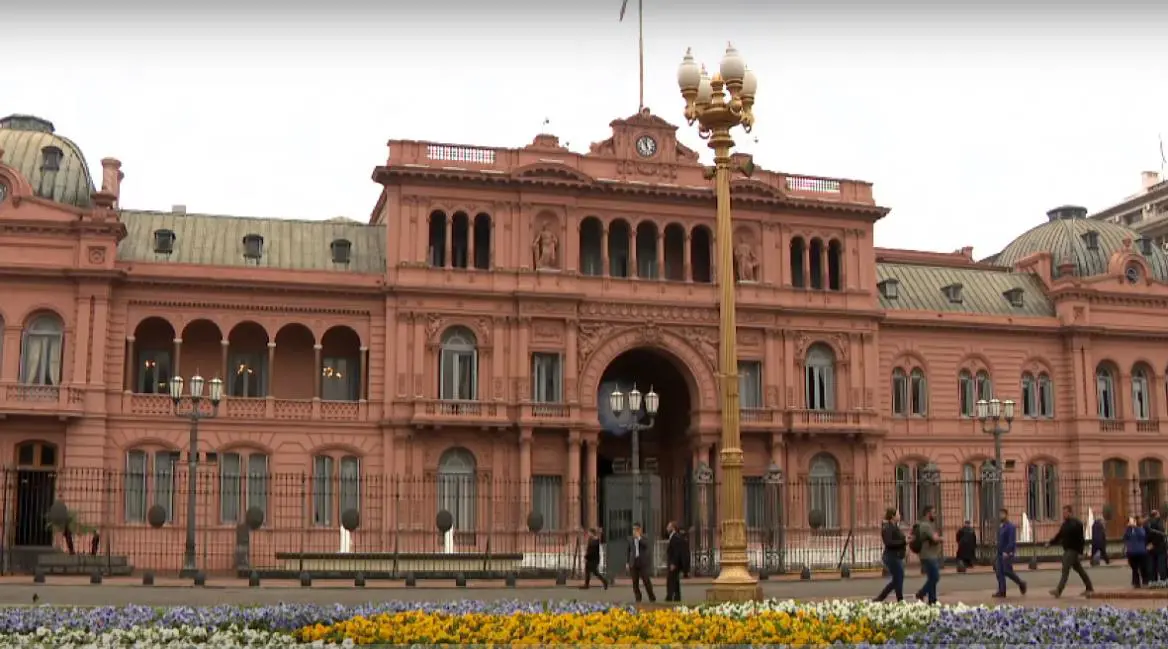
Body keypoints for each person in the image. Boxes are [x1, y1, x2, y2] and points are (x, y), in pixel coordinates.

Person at [1047, 504, 1094, 598]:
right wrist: (1050, 543)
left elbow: (1081, 539)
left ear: (1070, 513)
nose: (1063, 515)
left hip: (1072, 550)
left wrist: (1080, 552)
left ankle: (1058, 590)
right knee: (1079, 570)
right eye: (1063, 513)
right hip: (1068, 550)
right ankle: (1089, 587)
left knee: (1065, 569)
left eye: (1065, 513)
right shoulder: (1065, 525)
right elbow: (1059, 536)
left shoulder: (1077, 524)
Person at [993, 508, 1027, 598]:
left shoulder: (1010, 527)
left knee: (1007, 571)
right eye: (1000, 514)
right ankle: (1002, 591)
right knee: (999, 571)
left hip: (1007, 553)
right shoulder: (1001, 527)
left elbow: (1011, 541)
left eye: (1002, 514)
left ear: (1006, 515)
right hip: (1000, 553)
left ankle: (1021, 583)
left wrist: (1007, 551)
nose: (1000, 516)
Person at [874, 508, 906, 602]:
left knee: (897, 579)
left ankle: (881, 598)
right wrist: (904, 542)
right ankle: (899, 600)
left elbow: (899, 539)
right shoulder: (887, 528)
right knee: (898, 578)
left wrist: (905, 540)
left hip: (896, 556)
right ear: (892, 516)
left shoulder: (894, 526)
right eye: (897, 514)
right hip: (891, 557)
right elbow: (889, 543)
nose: (899, 515)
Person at [913, 505, 942, 605]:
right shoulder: (926, 525)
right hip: (928, 556)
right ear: (928, 513)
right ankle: (921, 593)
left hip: (929, 555)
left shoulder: (927, 524)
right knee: (935, 577)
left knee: (931, 578)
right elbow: (935, 538)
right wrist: (941, 538)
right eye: (933, 513)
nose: (935, 515)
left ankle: (932, 600)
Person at [626, 523, 656, 603]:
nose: (634, 531)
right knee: (635, 582)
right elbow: (628, 551)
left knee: (646, 581)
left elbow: (645, 545)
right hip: (633, 562)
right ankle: (638, 598)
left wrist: (639, 537)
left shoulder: (644, 538)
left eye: (636, 529)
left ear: (640, 530)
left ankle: (652, 597)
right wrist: (627, 562)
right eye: (633, 529)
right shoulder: (630, 539)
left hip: (642, 563)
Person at [1124, 515, 1149, 588]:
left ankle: (1145, 581)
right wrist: (1128, 527)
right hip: (1131, 552)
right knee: (1134, 569)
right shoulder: (1129, 530)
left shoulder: (1140, 528)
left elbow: (1142, 535)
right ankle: (1136, 583)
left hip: (1141, 552)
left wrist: (1135, 527)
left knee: (1143, 568)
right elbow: (1125, 537)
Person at [664, 521, 685, 601]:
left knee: (671, 580)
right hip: (673, 562)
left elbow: (677, 552)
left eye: (668, 526)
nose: (667, 528)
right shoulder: (672, 536)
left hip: (674, 563)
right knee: (675, 581)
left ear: (672, 528)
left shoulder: (675, 537)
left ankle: (669, 597)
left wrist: (673, 563)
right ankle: (677, 597)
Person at [1144, 510, 1166, 581]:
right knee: (1161, 565)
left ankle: (1153, 581)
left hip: (1150, 547)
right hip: (1160, 547)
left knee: (1152, 566)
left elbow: (1145, 535)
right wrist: (1153, 544)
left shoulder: (1146, 523)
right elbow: (1161, 535)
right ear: (1156, 515)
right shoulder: (1159, 522)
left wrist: (1148, 544)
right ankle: (1163, 580)